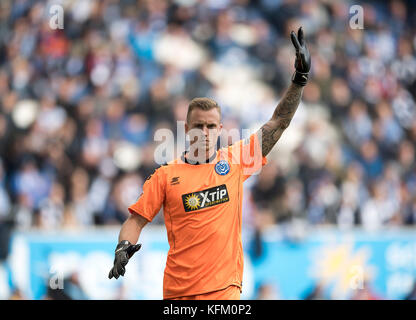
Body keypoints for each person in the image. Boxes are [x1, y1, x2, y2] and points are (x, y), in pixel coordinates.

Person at [108, 27, 311, 300]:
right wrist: (123, 245)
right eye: (199, 126)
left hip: (224, 293)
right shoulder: (166, 176)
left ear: (220, 129)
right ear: (187, 128)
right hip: (179, 294)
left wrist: (298, 80)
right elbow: (135, 221)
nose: (205, 133)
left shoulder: (236, 161)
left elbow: (278, 122)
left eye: (211, 126)